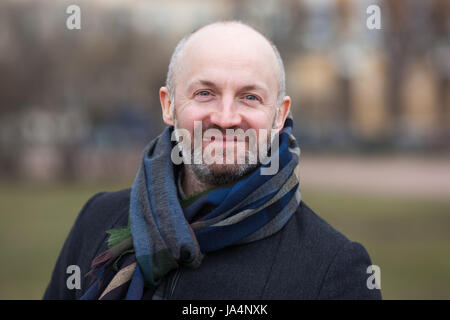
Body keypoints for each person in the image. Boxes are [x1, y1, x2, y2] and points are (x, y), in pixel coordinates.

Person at [43, 21, 381, 300]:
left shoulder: (335, 268)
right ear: (169, 105)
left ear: (280, 115)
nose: (225, 117)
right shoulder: (96, 221)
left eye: (250, 97)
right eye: (205, 93)